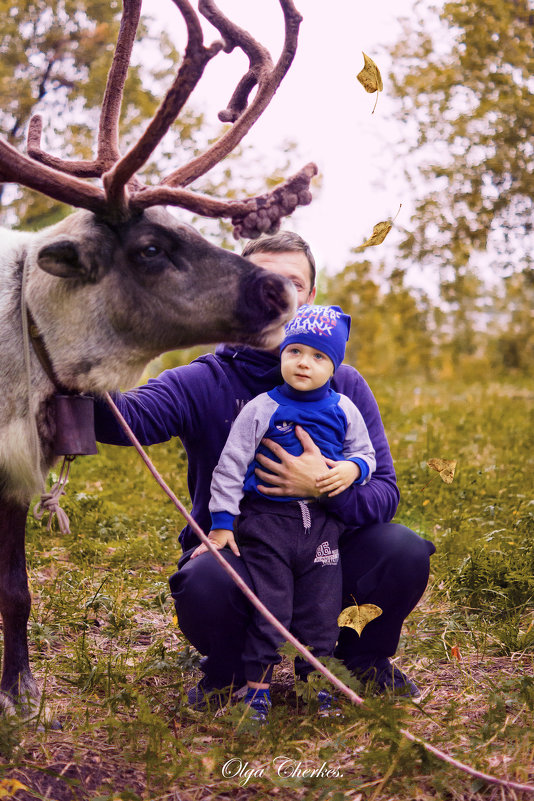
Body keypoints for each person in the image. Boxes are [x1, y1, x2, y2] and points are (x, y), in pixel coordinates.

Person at [93, 231, 435, 710]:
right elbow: (126, 418)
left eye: (291, 283)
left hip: (327, 555)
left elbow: (384, 493)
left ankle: (361, 661)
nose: (275, 293)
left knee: (401, 548)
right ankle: (231, 674)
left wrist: (324, 485)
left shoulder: (345, 386)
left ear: (311, 297)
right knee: (206, 584)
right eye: (260, 280)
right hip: (245, 554)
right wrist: (81, 363)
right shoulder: (204, 379)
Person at [190, 304, 376, 721]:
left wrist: (350, 468)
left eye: (318, 356)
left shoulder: (344, 408)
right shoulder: (261, 407)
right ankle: (256, 693)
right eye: (295, 352)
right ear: (282, 354)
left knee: (321, 614)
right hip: (268, 526)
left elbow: (366, 456)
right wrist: (222, 523)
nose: (304, 363)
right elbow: (231, 466)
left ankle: (317, 688)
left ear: (334, 366)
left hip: (322, 529)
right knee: (270, 608)